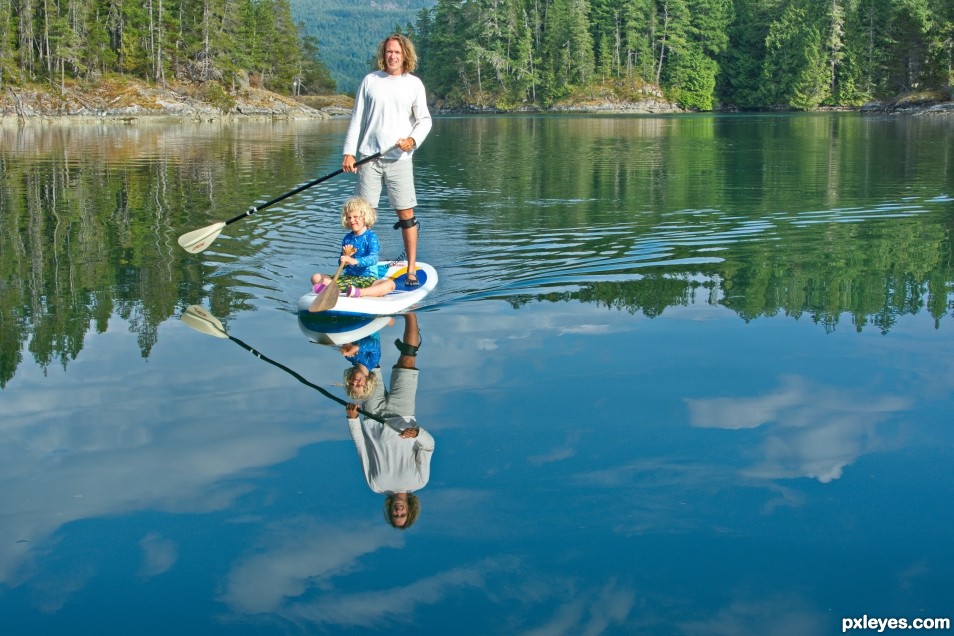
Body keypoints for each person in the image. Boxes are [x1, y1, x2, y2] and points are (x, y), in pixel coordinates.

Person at [342, 33, 432, 288]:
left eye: (397, 52)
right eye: (389, 52)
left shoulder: (413, 84)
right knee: (360, 218)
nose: (392, 56)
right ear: (384, 54)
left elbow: (424, 120)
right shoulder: (370, 81)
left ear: (405, 56)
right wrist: (348, 152)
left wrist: (412, 140)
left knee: (406, 215)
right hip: (368, 159)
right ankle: (358, 271)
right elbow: (357, 119)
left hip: (400, 159)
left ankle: (411, 269)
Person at [345, 313, 433, 529]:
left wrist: (353, 420)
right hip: (403, 414)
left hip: (373, 416)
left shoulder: (376, 485)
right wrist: (416, 434)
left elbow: (362, 450)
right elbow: (429, 447)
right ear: (410, 511)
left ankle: (367, 317)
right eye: (402, 515)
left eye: (395, 516)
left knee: (367, 365)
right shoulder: (419, 482)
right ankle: (409, 312)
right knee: (408, 358)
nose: (398, 512)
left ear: (390, 511)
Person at [311, 197, 395, 298]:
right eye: (349, 217)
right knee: (315, 277)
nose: (352, 220)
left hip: (367, 279)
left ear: (364, 217)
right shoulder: (347, 238)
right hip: (348, 278)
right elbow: (341, 263)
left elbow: (374, 258)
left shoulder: (371, 236)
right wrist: (344, 258)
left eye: (356, 216)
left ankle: (360, 292)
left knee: (390, 284)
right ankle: (335, 290)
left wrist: (353, 260)